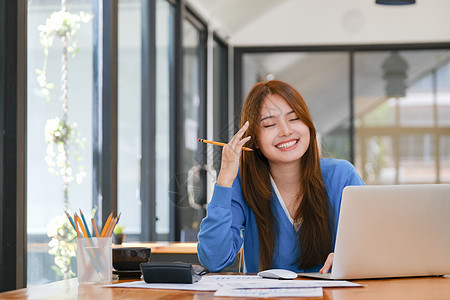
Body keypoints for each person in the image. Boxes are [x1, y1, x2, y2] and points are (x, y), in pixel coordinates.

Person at [197, 80, 364, 274]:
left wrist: (351, 257)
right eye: (269, 124)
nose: (286, 131)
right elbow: (214, 260)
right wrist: (225, 177)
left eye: (294, 119)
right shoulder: (242, 182)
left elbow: (375, 240)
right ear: (254, 140)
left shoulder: (342, 175)